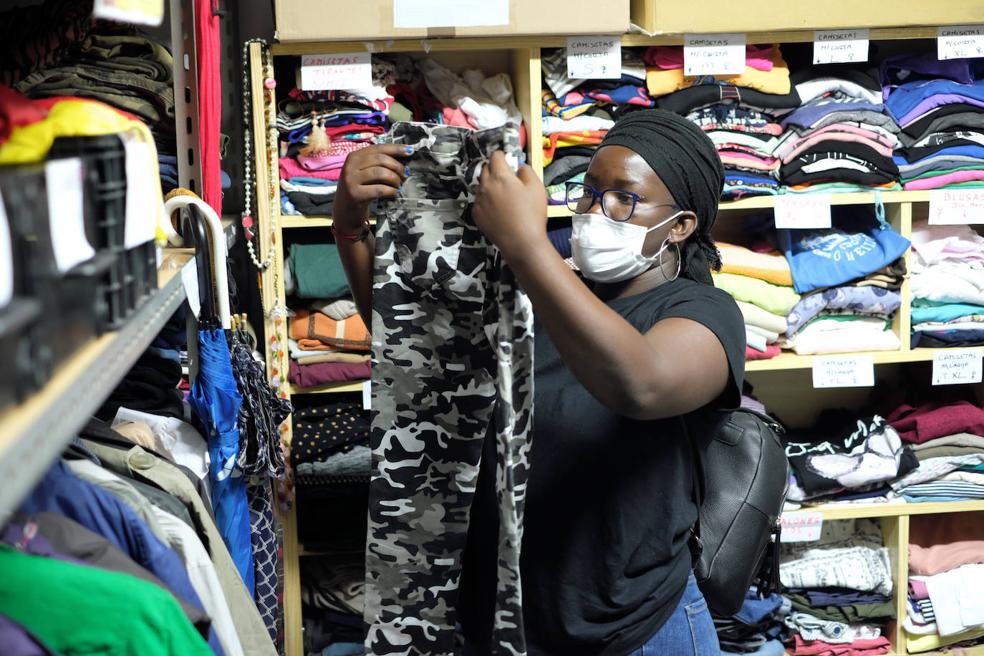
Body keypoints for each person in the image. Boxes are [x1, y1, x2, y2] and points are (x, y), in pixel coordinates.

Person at [333, 109, 745, 656]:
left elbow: (641, 384)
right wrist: (349, 225)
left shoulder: (704, 313)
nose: (596, 212)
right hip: (512, 627)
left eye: (624, 199)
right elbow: (419, 343)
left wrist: (527, 246)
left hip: (635, 632)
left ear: (681, 226)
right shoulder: (544, 288)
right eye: (589, 193)